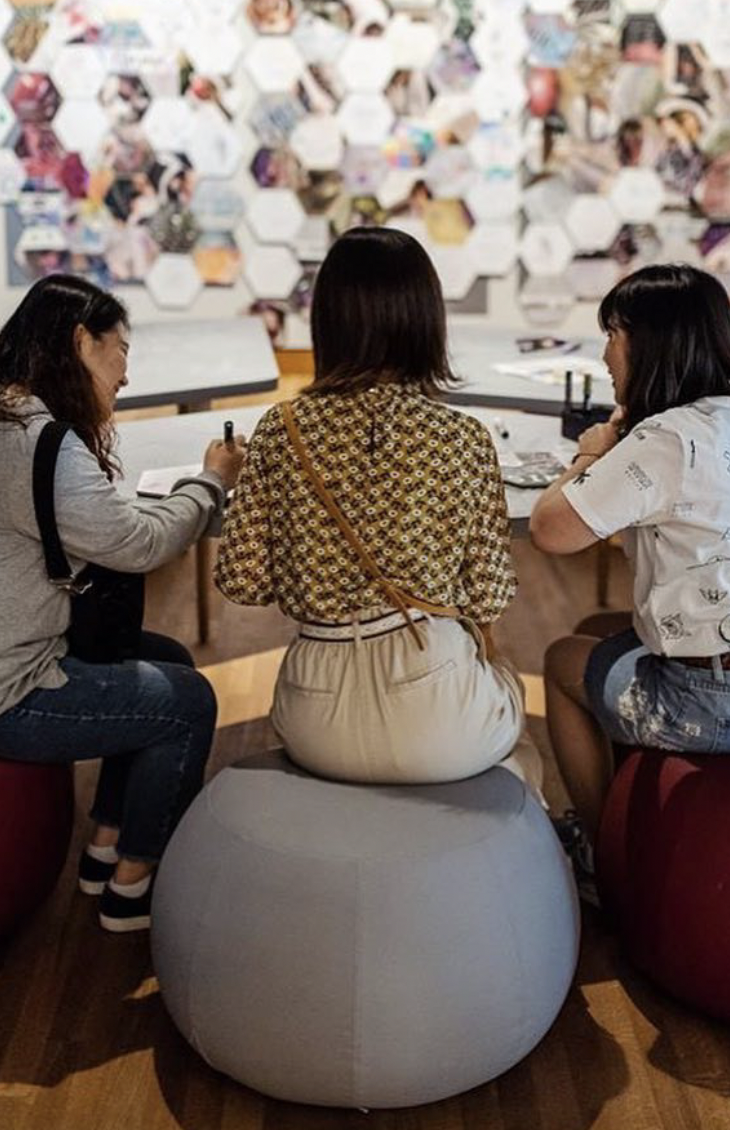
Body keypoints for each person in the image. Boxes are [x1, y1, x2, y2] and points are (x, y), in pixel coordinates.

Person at [0, 274, 246, 932]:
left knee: (165, 658)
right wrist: (211, 481)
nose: (126, 375)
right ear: (82, 342)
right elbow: (138, 543)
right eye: (121, 350)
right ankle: (135, 888)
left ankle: (106, 844)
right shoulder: (39, 443)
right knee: (188, 703)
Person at [530, 263, 730, 884]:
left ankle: (603, 855)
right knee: (600, 628)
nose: (605, 353)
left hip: (727, 703)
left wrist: (591, 452)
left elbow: (550, 530)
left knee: (561, 660)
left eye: (612, 334)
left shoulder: (664, 441)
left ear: (649, 342)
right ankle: (631, 812)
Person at [215, 226, 542, 792]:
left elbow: (242, 581)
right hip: (434, 704)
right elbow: (488, 596)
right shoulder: (461, 437)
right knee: (524, 739)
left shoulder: (280, 430)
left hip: (313, 712)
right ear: (426, 318)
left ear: (328, 321)